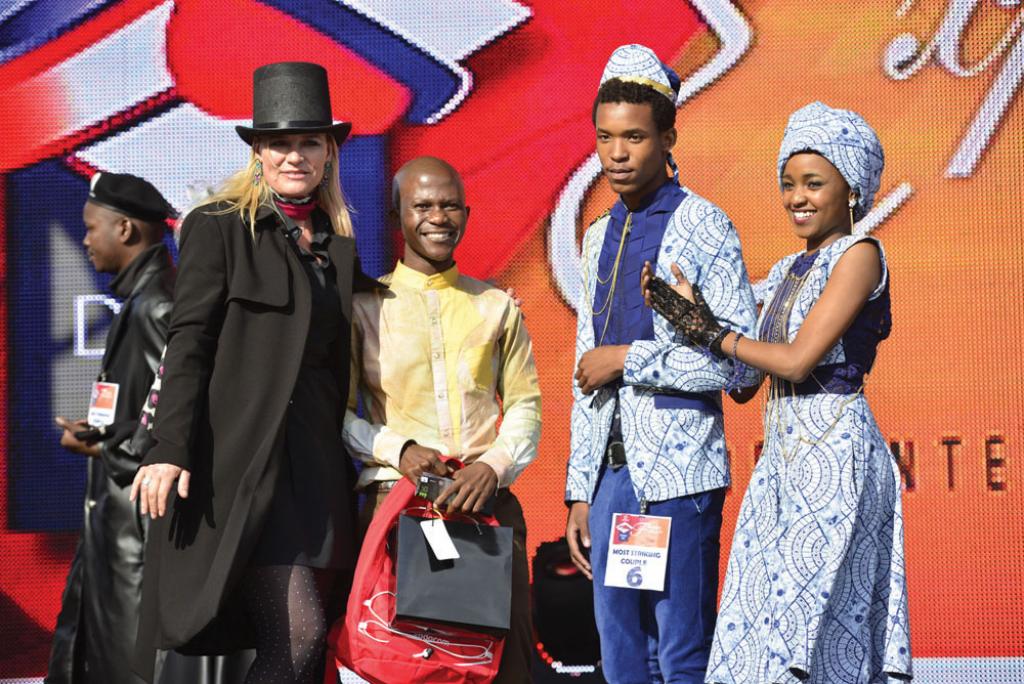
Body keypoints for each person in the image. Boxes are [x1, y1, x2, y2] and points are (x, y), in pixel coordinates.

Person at [642, 101, 912, 683]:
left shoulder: (860, 255)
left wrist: (713, 333)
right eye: (788, 184)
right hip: (783, 459)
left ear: (852, 190)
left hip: (835, 453)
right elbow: (746, 383)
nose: (796, 198)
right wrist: (695, 316)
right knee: (757, 620)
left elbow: (796, 360)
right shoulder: (789, 266)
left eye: (813, 183)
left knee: (817, 628)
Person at [130, 62, 375, 684]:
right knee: (297, 635)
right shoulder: (217, 227)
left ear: (329, 152)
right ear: (258, 151)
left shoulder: (337, 246)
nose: (295, 156)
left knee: (308, 648)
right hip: (242, 469)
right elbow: (189, 343)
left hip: (316, 474)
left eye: (309, 142)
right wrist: (169, 447)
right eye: (279, 143)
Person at [564, 44, 758, 683]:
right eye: (605, 137)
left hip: (679, 474)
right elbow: (585, 371)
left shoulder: (705, 225)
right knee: (622, 656)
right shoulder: (597, 234)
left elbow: (741, 370)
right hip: (614, 480)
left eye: (635, 137)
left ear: (669, 137)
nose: (617, 154)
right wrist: (581, 491)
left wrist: (631, 359)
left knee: (680, 654)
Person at [342, 156, 542, 682]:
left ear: (466, 215)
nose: (438, 217)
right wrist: (400, 450)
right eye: (422, 205)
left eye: (450, 205)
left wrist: (492, 467)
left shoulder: (495, 305)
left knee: (501, 666)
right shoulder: (363, 308)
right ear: (396, 216)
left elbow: (525, 405)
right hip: (396, 505)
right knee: (402, 665)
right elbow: (337, 417)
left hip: (486, 508)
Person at [47, 172, 175, 684]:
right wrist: (102, 434)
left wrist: (103, 448)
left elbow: (175, 423)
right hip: (118, 533)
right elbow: (145, 414)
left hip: (137, 538)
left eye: (90, 227)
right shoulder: (142, 300)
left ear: (124, 229)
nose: (85, 239)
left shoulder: (157, 305)